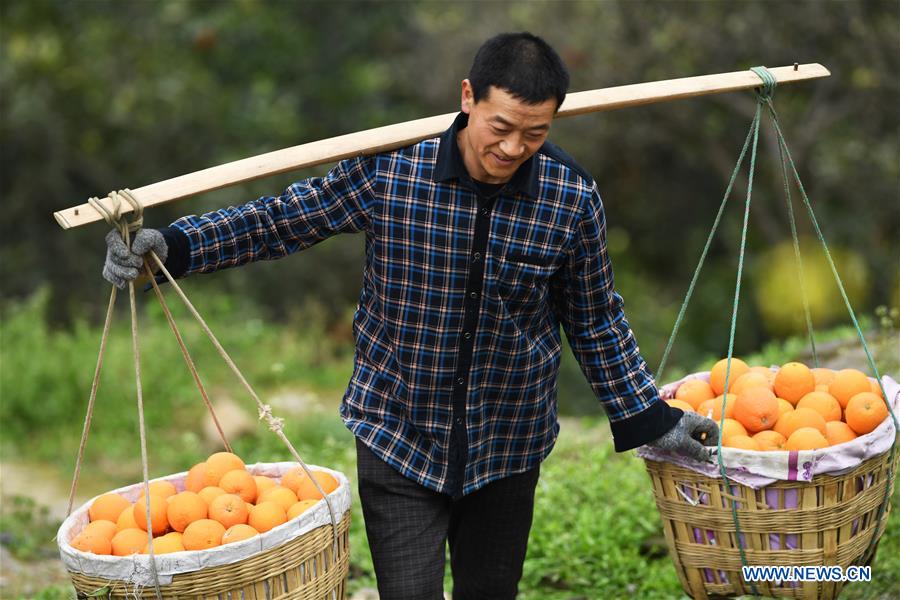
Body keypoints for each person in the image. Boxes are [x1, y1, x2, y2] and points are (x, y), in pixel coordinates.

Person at [103, 32, 717, 600]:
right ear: (468, 97)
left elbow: (595, 318)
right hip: (397, 431)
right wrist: (176, 248)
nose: (512, 148)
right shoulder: (392, 170)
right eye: (501, 127)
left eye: (534, 133)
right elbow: (281, 220)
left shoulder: (569, 198)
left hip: (508, 441)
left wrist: (647, 415)